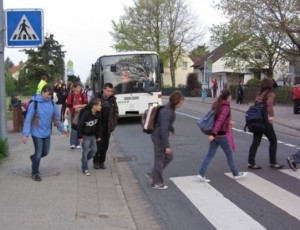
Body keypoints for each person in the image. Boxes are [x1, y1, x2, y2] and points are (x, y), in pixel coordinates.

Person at [197, 89, 247, 182]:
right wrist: (213, 134)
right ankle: (236, 174)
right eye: (231, 96)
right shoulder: (225, 107)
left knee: (209, 155)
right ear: (228, 97)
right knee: (229, 154)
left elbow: (219, 119)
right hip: (220, 135)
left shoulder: (217, 104)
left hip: (215, 135)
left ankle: (201, 174)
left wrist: (229, 122)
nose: (231, 97)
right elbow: (219, 121)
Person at [21, 85, 68, 182]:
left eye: (51, 94)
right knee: (38, 153)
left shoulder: (51, 103)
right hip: (36, 132)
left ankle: (33, 158)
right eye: (47, 94)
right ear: (42, 92)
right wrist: (25, 135)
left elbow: (56, 118)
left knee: (45, 152)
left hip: (46, 132)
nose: (49, 96)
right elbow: (28, 119)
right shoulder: (35, 103)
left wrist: (62, 129)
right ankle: (35, 173)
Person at [148, 91, 184, 189]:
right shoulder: (167, 111)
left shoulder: (170, 108)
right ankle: (157, 183)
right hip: (158, 136)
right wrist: (167, 146)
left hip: (159, 135)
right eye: (181, 101)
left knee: (168, 157)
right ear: (177, 101)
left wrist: (171, 129)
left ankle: (154, 174)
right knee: (160, 159)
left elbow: (166, 124)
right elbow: (163, 129)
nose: (182, 103)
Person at [248, 78, 283, 169]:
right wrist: (271, 116)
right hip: (264, 121)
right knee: (273, 141)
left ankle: (251, 163)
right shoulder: (270, 94)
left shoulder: (259, 93)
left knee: (255, 142)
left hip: (257, 121)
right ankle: (273, 162)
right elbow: (269, 105)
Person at [93, 83, 119, 169]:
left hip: (108, 127)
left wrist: (113, 124)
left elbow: (116, 112)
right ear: (104, 90)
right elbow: (91, 110)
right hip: (98, 127)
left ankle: (102, 161)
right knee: (97, 145)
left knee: (105, 145)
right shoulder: (97, 98)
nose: (110, 93)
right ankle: (96, 161)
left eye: (111, 91)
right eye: (108, 91)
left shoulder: (112, 100)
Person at [77, 98, 103, 176]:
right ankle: (85, 168)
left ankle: (84, 160)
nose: (101, 107)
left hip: (93, 136)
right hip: (85, 136)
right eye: (99, 105)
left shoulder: (98, 114)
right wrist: (80, 136)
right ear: (94, 106)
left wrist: (99, 135)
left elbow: (99, 125)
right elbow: (79, 125)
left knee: (94, 151)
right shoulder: (86, 113)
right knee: (85, 152)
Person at [65, 82, 88, 149]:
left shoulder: (82, 95)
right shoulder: (71, 95)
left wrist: (78, 106)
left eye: (80, 87)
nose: (79, 89)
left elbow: (86, 104)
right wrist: (65, 114)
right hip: (74, 114)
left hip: (81, 114)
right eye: (78, 87)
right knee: (74, 128)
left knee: (79, 128)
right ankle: (72, 143)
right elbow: (68, 105)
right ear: (74, 88)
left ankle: (78, 143)